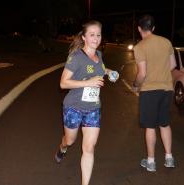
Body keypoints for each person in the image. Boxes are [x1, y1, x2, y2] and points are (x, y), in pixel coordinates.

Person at [54, 20, 119, 185]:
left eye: (98, 34)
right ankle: (62, 147)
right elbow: (63, 83)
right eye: (92, 35)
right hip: (73, 107)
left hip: (93, 108)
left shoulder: (99, 55)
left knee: (89, 148)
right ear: (84, 37)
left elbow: (101, 69)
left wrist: (110, 72)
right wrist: (88, 82)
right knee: (70, 140)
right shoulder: (76, 57)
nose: (96, 38)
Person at [132, 14, 176, 172]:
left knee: (150, 127)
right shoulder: (166, 42)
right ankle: (169, 158)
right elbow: (173, 65)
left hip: (150, 91)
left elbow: (142, 74)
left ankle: (151, 161)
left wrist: (136, 85)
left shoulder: (140, 47)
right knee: (164, 123)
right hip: (167, 89)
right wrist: (161, 73)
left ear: (139, 29)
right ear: (154, 28)